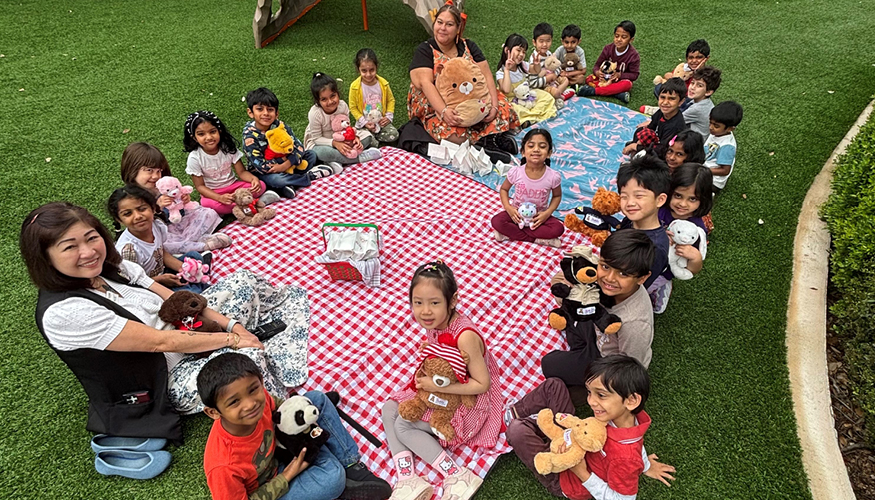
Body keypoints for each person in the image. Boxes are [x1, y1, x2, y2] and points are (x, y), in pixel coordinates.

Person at [21, 202, 265, 443]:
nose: (88, 252)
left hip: (187, 329)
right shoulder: (64, 312)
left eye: (91, 238)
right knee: (249, 365)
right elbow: (161, 342)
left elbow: (176, 299)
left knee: (241, 281)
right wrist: (231, 340)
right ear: (44, 257)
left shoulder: (113, 268)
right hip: (166, 378)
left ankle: (249, 335)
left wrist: (234, 326)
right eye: (70, 247)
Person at [381, 261, 504, 500]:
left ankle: (457, 475)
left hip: (468, 402)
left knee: (403, 425)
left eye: (434, 303)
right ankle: (408, 480)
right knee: (389, 408)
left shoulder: (465, 336)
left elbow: (482, 384)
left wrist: (439, 385)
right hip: (443, 389)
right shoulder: (436, 322)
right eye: (418, 303)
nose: (425, 311)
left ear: (453, 301)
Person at [199, 353, 391, 500]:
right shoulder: (222, 466)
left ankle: (351, 465)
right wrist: (289, 474)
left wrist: (300, 428)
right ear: (213, 412)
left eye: (253, 389)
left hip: (283, 449)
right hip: (273, 484)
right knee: (332, 478)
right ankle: (340, 484)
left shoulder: (260, 401)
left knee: (316, 399)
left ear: (261, 382)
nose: (250, 404)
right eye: (234, 402)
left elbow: (281, 410)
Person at [506, 356, 675, 499]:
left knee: (516, 430)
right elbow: (637, 443)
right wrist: (645, 465)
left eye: (601, 395)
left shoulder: (625, 457)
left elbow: (622, 498)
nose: (591, 402)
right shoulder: (625, 418)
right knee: (554, 386)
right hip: (575, 431)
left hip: (566, 477)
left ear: (631, 401)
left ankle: (524, 422)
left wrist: (581, 473)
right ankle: (517, 413)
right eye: (589, 392)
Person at [542, 231, 656, 386]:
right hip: (597, 329)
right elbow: (565, 277)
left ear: (642, 278)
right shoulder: (609, 283)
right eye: (605, 266)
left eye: (623, 273)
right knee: (574, 315)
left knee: (549, 364)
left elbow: (630, 368)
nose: (609, 278)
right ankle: (580, 352)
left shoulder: (634, 323)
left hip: (606, 362)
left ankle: (585, 389)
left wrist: (604, 385)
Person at [407, 3, 520, 146]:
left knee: (505, 111)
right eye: (439, 22)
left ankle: (483, 140)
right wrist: (444, 111)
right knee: (452, 134)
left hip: (476, 101)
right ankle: (489, 139)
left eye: (449, 24)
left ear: (458, 28)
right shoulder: (425, 50)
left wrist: (494, 106)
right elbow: (425, 84)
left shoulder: (468, 46)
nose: (442, 28)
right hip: (438, 107)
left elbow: (486, 75)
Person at [120, 142, 227, 254]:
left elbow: (178, 203)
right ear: (132, 170)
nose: (155, 176)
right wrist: (157, 207)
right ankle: (202, 246)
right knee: (164, 244)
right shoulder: (131, 197)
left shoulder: (161, 186)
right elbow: (141, 222)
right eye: (149, 171)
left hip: (178, 221)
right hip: (160, 229)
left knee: (208, 213)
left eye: (158, 171)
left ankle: (194, 239)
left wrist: (183, 200)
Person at [108, 185, 208, 293]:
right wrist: (160, 280)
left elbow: (161, 253)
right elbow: (131, 285)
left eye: (142, 209)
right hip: (149, 287)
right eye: (128, 214)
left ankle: (196, 281)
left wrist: (184, 268)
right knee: (191, 293)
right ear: (119, 220)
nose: (137, 216)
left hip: (163, 271)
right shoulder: (128, 250)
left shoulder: (156, 225)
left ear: (153, 209)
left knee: (194, 256)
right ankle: (197, 286)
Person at [242, 87, 334, 200]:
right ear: (250, 113)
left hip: (287, 164)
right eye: (260, 109)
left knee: (311, 154)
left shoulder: (280, 125)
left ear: (276, 113)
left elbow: (299, 146)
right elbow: (261, 166)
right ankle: (307, 177)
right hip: (265, 172)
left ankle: (287, 185)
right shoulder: (249, 136)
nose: (265, 113)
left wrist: (285, 165)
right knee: (276, 179)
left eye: (270, 110)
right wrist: (283, 164)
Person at [183, 110, 280, 215]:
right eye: (201, 134)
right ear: (194, 138)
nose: (209, 137)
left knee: (261, 185)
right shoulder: (195, 158)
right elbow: (200, 187)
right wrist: (219, 198)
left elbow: (242, 172)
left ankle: (239, 207)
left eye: (212, 132)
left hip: (234, 187)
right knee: (206, 203)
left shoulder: (227, 148)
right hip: (214, 192)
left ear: (219, 131)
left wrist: (254, 179)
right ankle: (256, 203)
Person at [651, 163, 714, 310]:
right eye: (678, 195)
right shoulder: (660, 208)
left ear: (703, 200)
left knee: (642, 292)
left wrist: (695, 257)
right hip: (645, 258)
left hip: (664, 271)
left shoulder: (695, 230)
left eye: (692, 199)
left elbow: (693, 270)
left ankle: (661, 291)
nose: (682, 204)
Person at [491, 128, 564, 247]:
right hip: (517, 217)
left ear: (549, 153)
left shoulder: (553, 176)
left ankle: (510, 234)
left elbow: (557, 195)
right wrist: (509, 208)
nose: (536, 150)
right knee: (497, 221)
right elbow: (504, 189)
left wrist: (547, 213)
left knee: (558, 229)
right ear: (523, 152)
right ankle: (537, 239)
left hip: (538, 218)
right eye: (531, 146)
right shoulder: (516, 172)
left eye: (542, 146)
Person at [616, 154, 671, 296]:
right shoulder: (630, 220)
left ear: (660, 200)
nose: (630, 203)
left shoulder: (655, 248)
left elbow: (638, 286)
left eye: (639, 196)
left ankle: (659, 291)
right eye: (624, 196)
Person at [304, 72, 383, 166]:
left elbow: (347, 128)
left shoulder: (343, 106)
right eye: (324, 99)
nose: (330, 102)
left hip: (343, 138)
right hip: (322, 142)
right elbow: (316, 138)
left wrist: (355, 138)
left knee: (368, 137)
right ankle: (359, 158)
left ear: (338, 93)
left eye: (332, 96)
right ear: (318, 101)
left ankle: (334, 161)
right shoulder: (315, 113)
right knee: (323, 153)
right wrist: (334, 143)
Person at [495, 34, 558, 125]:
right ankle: (531, 117)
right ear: (506, 50)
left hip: (527, 96)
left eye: (524, 52)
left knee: (546, 97)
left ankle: (530, 118)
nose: (521, 54)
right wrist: (507, 70)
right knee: (515, 110)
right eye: (518, 50)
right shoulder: (501, 72)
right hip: (512, 101)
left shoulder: (522, 66)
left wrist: (536, 64)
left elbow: (536, 71)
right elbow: (506, 90)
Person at [578, 21, 640, 103]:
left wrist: (619, 75)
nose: (619, 39)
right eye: (616, 36)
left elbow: (634, 75)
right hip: (604, 79)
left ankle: (594, 91)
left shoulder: (633, 55)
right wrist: (598, 73)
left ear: (631, 40)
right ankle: (617, 94)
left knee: (627, 84)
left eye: (624, 37)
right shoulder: (608, 48)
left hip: (619, 81)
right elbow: (596, 66)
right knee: (589, 78)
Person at [623, 78, 687, 157]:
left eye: (671, 99)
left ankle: (637, 154)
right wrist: (640, 141)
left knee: (644, 156)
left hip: (665, 153)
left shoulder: (676, 125)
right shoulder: (660, 112)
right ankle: (637, 152)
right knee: (640, 130)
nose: (665, 102)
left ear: (681, 102)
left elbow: (663, 150)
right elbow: (650, 128)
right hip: (656, 143)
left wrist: (636, 147)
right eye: (662, 97)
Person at [349, 48, 399, 144]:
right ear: (358, 69)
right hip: (365, 124)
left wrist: (388, 116)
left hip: (381, 121)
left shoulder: (383, 84)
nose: (368, 74)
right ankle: (370, 138)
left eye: (372, 70)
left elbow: (391, 100)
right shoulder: (355, 87)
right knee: (367, 140)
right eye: (364, 71)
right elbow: (353, 107)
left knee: (394, 134)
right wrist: (364, 122)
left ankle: (374, 137)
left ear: (376, 67)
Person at [704, 100, 743, 193]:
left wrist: (704, 171)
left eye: (716, 126)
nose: (711, 127)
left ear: (730, 129)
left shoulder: (727, 146)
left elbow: (725, 170)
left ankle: (709, 195)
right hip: (704, 168)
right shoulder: (717, 133)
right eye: (710, 123)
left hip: (713, 181)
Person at [527, 22, 571, 102]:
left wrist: (555, 74)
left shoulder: (549, 53)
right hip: (542, 87)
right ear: (534, 42)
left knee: (565, 80)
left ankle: (558, 94)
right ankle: (559, 96)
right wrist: (547, 78)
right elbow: (533, 83)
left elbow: (558, 67)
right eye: (541, 41)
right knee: (555, 92)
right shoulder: (534, 60)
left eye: (548, 41)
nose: (544, 44)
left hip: (553, 81)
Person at [682, 66, 721, 137]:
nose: (693, 87)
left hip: (694, 143)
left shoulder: (697, 109)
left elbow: (675, 119)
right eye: (692, 83)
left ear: (708, 92)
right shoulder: (705, 102)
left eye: (699, 86)